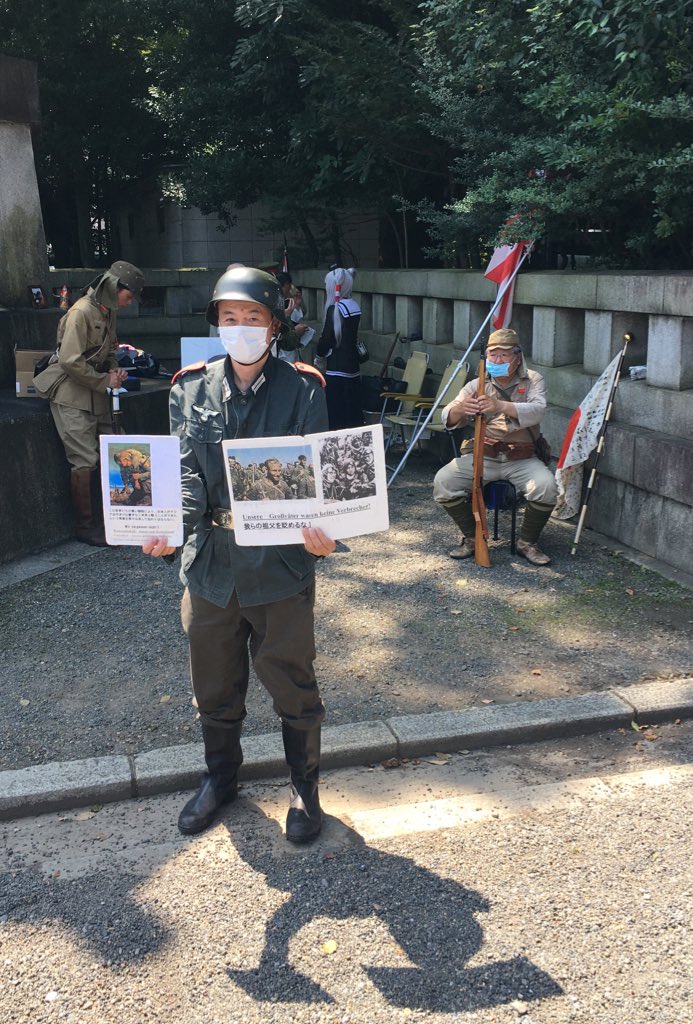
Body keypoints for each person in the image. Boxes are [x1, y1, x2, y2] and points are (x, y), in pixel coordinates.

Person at [142, 266, 336, 842]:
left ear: (274, 326)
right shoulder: (189, 387)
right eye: (230, 318)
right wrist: (168, 525)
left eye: (253, 318)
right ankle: (221, 779)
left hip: (279, 565)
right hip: (210, 568)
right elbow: (182, 473)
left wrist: (323, 529)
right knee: (214, 685)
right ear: (217, 325)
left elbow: (316, 480)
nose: (241, 327)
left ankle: (305, 790)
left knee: (292, 684)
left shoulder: (303, 388)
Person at [34, 261, 145, 546]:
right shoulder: (81, 312)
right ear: (114, 288)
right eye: (129, 295)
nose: (130, 302)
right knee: (84, 459)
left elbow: (108, 350)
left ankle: (115, 517)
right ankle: (85, 525)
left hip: (95, 390)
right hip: (70, 392)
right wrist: (104, 381)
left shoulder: (108, 311)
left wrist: (114, 370)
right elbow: (70, 361)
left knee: (113, 451)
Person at [432, 328, 558, 565]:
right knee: (444, 481)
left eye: (504, 355)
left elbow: (538, 410)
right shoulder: (476, 384)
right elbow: (448, 415)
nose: (497, 360)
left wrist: (499, 405)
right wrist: (461, 409)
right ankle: (472, 538)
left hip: (522, 457)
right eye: (493, 355)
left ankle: (527, 543)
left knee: (547, 487)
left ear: (517, 356)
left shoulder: (533, 380)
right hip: (483, 455)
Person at [315, 267, 364, 430]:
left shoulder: (335, 309)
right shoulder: (354, 305)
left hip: (336, 369)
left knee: (336, 417)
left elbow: (326, 340)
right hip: (353, 368)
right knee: (353, 414)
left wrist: (319, 354)